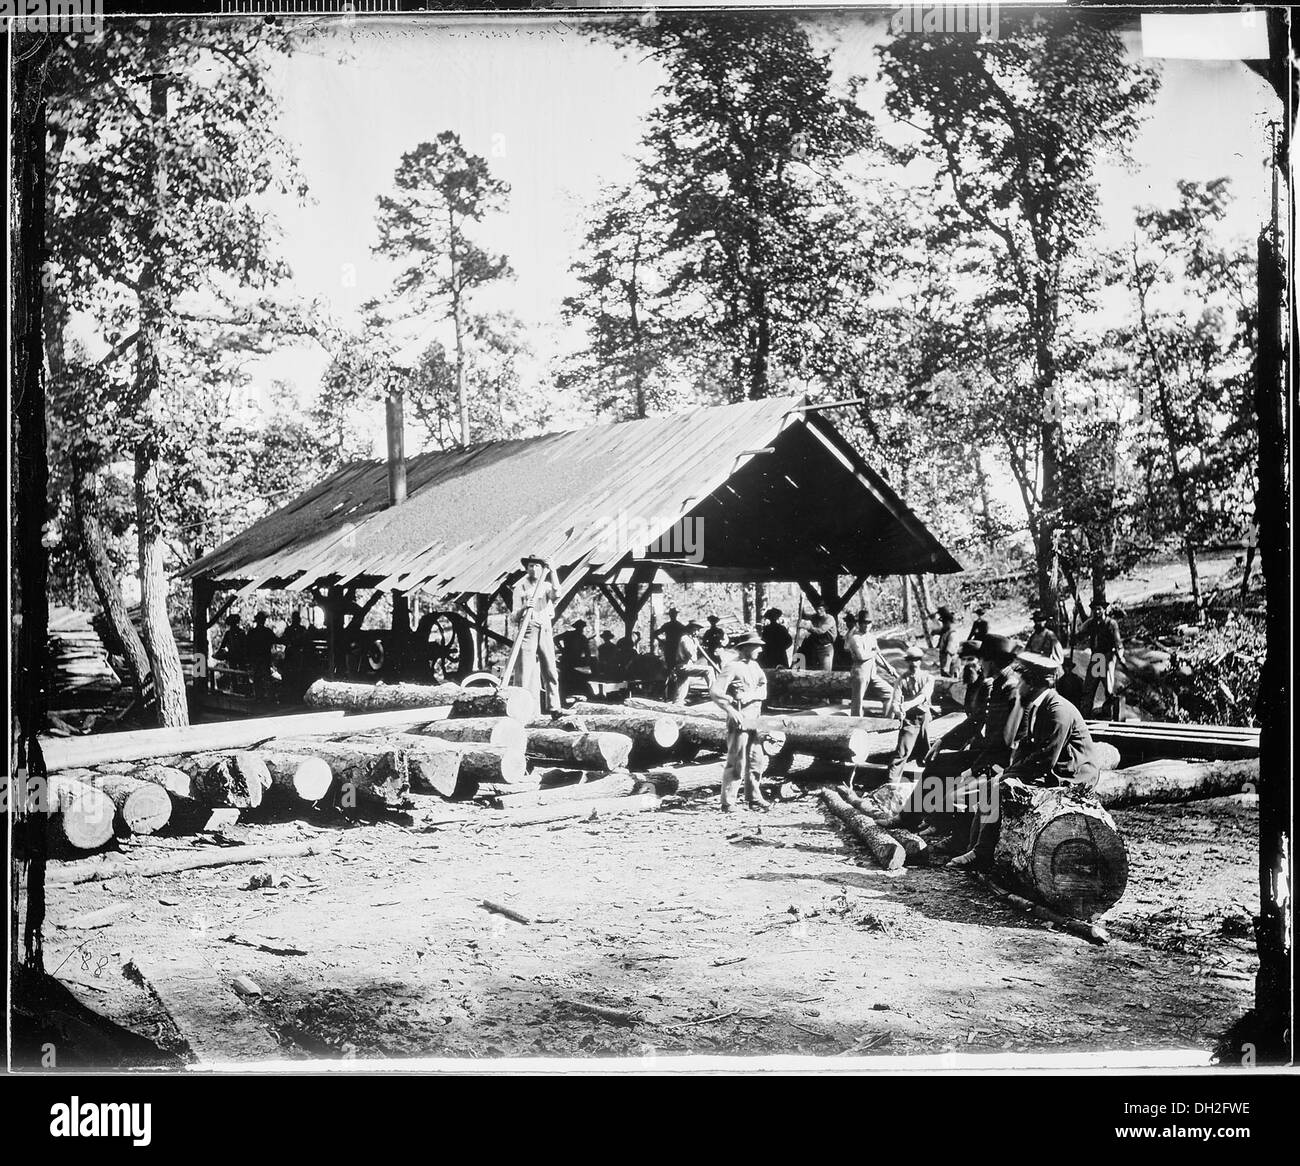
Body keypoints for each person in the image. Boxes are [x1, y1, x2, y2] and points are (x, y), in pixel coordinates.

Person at [949, 651, 1102, 869]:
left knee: (996, 789)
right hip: (1054, 769)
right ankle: (972, 848)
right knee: (989, 786)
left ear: (1032, 684)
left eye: (1020, 681)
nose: (1017, 685)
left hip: (1071, 777)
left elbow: (1045, 759)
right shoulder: (1037, 705)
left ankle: (981, 854)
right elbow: (1024, 747)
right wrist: (1008, 772)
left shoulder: (1057, 710)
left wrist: (1008, 776)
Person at [710, 632, 770, 812]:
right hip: (740, 719)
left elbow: (763, 688)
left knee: (756, 760)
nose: (760, 650)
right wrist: (730, 710)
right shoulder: (733, 667)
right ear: (745, 648)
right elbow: (715, 691)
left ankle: (754, 798)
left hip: (755, 719)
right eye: (756, 646)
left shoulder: (756, 666)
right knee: (736, 760)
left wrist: (750, 695)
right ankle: (728, 802)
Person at [511, 553, 562, 714]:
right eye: (531, 566)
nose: (534, 569)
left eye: (537, 566)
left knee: (550, 670)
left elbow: (557, 593)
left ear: (542, 569)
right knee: (525, 672)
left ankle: (554, 707)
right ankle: (522, 710)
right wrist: (524, 606)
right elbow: (513, 617)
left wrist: (553, 571)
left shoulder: (546, 585)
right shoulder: (520, 587)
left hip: (545, 627)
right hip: (528, 627)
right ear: (527, 568)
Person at [883, 647, 934, 787]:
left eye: (916, 660)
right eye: (911, 660)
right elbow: (895, 701)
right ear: (908, 662)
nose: (914, 663)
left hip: (924, 718)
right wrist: (898, 710)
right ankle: (891, 786)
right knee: (901, 753)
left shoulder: (929, 678)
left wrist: (907, 705)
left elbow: (924, 696)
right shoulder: (901, 680)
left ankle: (931, 785)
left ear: (920, 661)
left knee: (929, 752)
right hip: (910, 721)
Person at [846, 612, 898, 718]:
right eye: (863, 623)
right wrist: (874, 652)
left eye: (868, 623)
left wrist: (888, 667)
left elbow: (878, 656)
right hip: (859, 674)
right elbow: (862, 656)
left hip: (872, 674)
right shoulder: (855, 638)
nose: (866, 625)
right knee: (857, 702)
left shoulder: (872, 637)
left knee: (890, 693)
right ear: (859, 624)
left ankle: (887, 722)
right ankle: (856, 727)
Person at [1079, 599, 1124, 716]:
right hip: (1097, 657)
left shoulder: (1111, 623)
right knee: (1089, 686)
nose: (1097, 612)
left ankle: (1112, 714)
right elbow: (1080, 632)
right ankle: (1085, 714)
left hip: (1107, 655)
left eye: (1099, 609)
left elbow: (1117, 642)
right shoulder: (1091, 623)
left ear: (1104, 609)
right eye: (1094, 609)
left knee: (1108, 688)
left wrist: (1120, 655)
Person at [666, 619, 714, 703]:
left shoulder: (689, 639)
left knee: (681, 689)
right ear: (690, 629)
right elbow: (693, 657)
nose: (697, 632)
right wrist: (696, 645)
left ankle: (677, 703)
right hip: (683, 666)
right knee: (709, 670)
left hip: (683, 667)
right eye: (696, 630)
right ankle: (715, 694)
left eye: (698, 630)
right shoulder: (686, 639)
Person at [245, 611, 278, 701]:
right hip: (264, 658)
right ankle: (266, 696)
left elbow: (247, 646)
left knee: (257, 677)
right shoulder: (267, 632)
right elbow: (276, 640)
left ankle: (259, 696)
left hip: (256, 658)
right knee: (265, 676)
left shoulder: (252, 632)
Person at [558, 619, 593, 700]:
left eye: (582, 627)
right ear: (577, 627)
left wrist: (587, 661)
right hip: (568, 660)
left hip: (574, 660)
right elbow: (555, 639)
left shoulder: (582, 638)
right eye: (580, 627)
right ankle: (564, 695)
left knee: (572, 677)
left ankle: (569, 693)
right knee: (566, 678)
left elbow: (587, 652)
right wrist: (562, 649)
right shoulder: (569, 634)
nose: (581, 629)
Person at [801, 606, 837, 672]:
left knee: (826, 673)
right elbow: (804, 616)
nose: (818, 611)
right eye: (816, 609)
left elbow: (820, 631)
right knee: (815, 671)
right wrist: (801, 607)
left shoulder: (829, 618)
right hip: (816, 648)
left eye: (820, 609)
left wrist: (808, 627)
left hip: (826, 649)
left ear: (825, 608)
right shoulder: (816, 616)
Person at [933, 605, 960, 677]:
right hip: (943, 660)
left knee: (950, 681)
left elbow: (949, 652)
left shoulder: (952, 634)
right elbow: (936, 631)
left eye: (944, 622)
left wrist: (947, 666)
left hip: (951, 663)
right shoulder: (945, 631)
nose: (943, 624)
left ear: (948, 622)